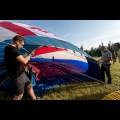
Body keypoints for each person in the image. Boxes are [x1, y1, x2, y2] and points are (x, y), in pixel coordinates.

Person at [4, 35, 37, 100]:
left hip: (21, 73)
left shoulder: (9, 49)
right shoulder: (13, 50)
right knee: (19, 94)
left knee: (29, 86)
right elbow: (24, 61)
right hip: (17, 75)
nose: (22, 47)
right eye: (22, 45)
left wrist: (27, 62)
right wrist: (30, 55)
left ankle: (34, 98)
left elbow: (15, 61)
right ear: (17, 42)